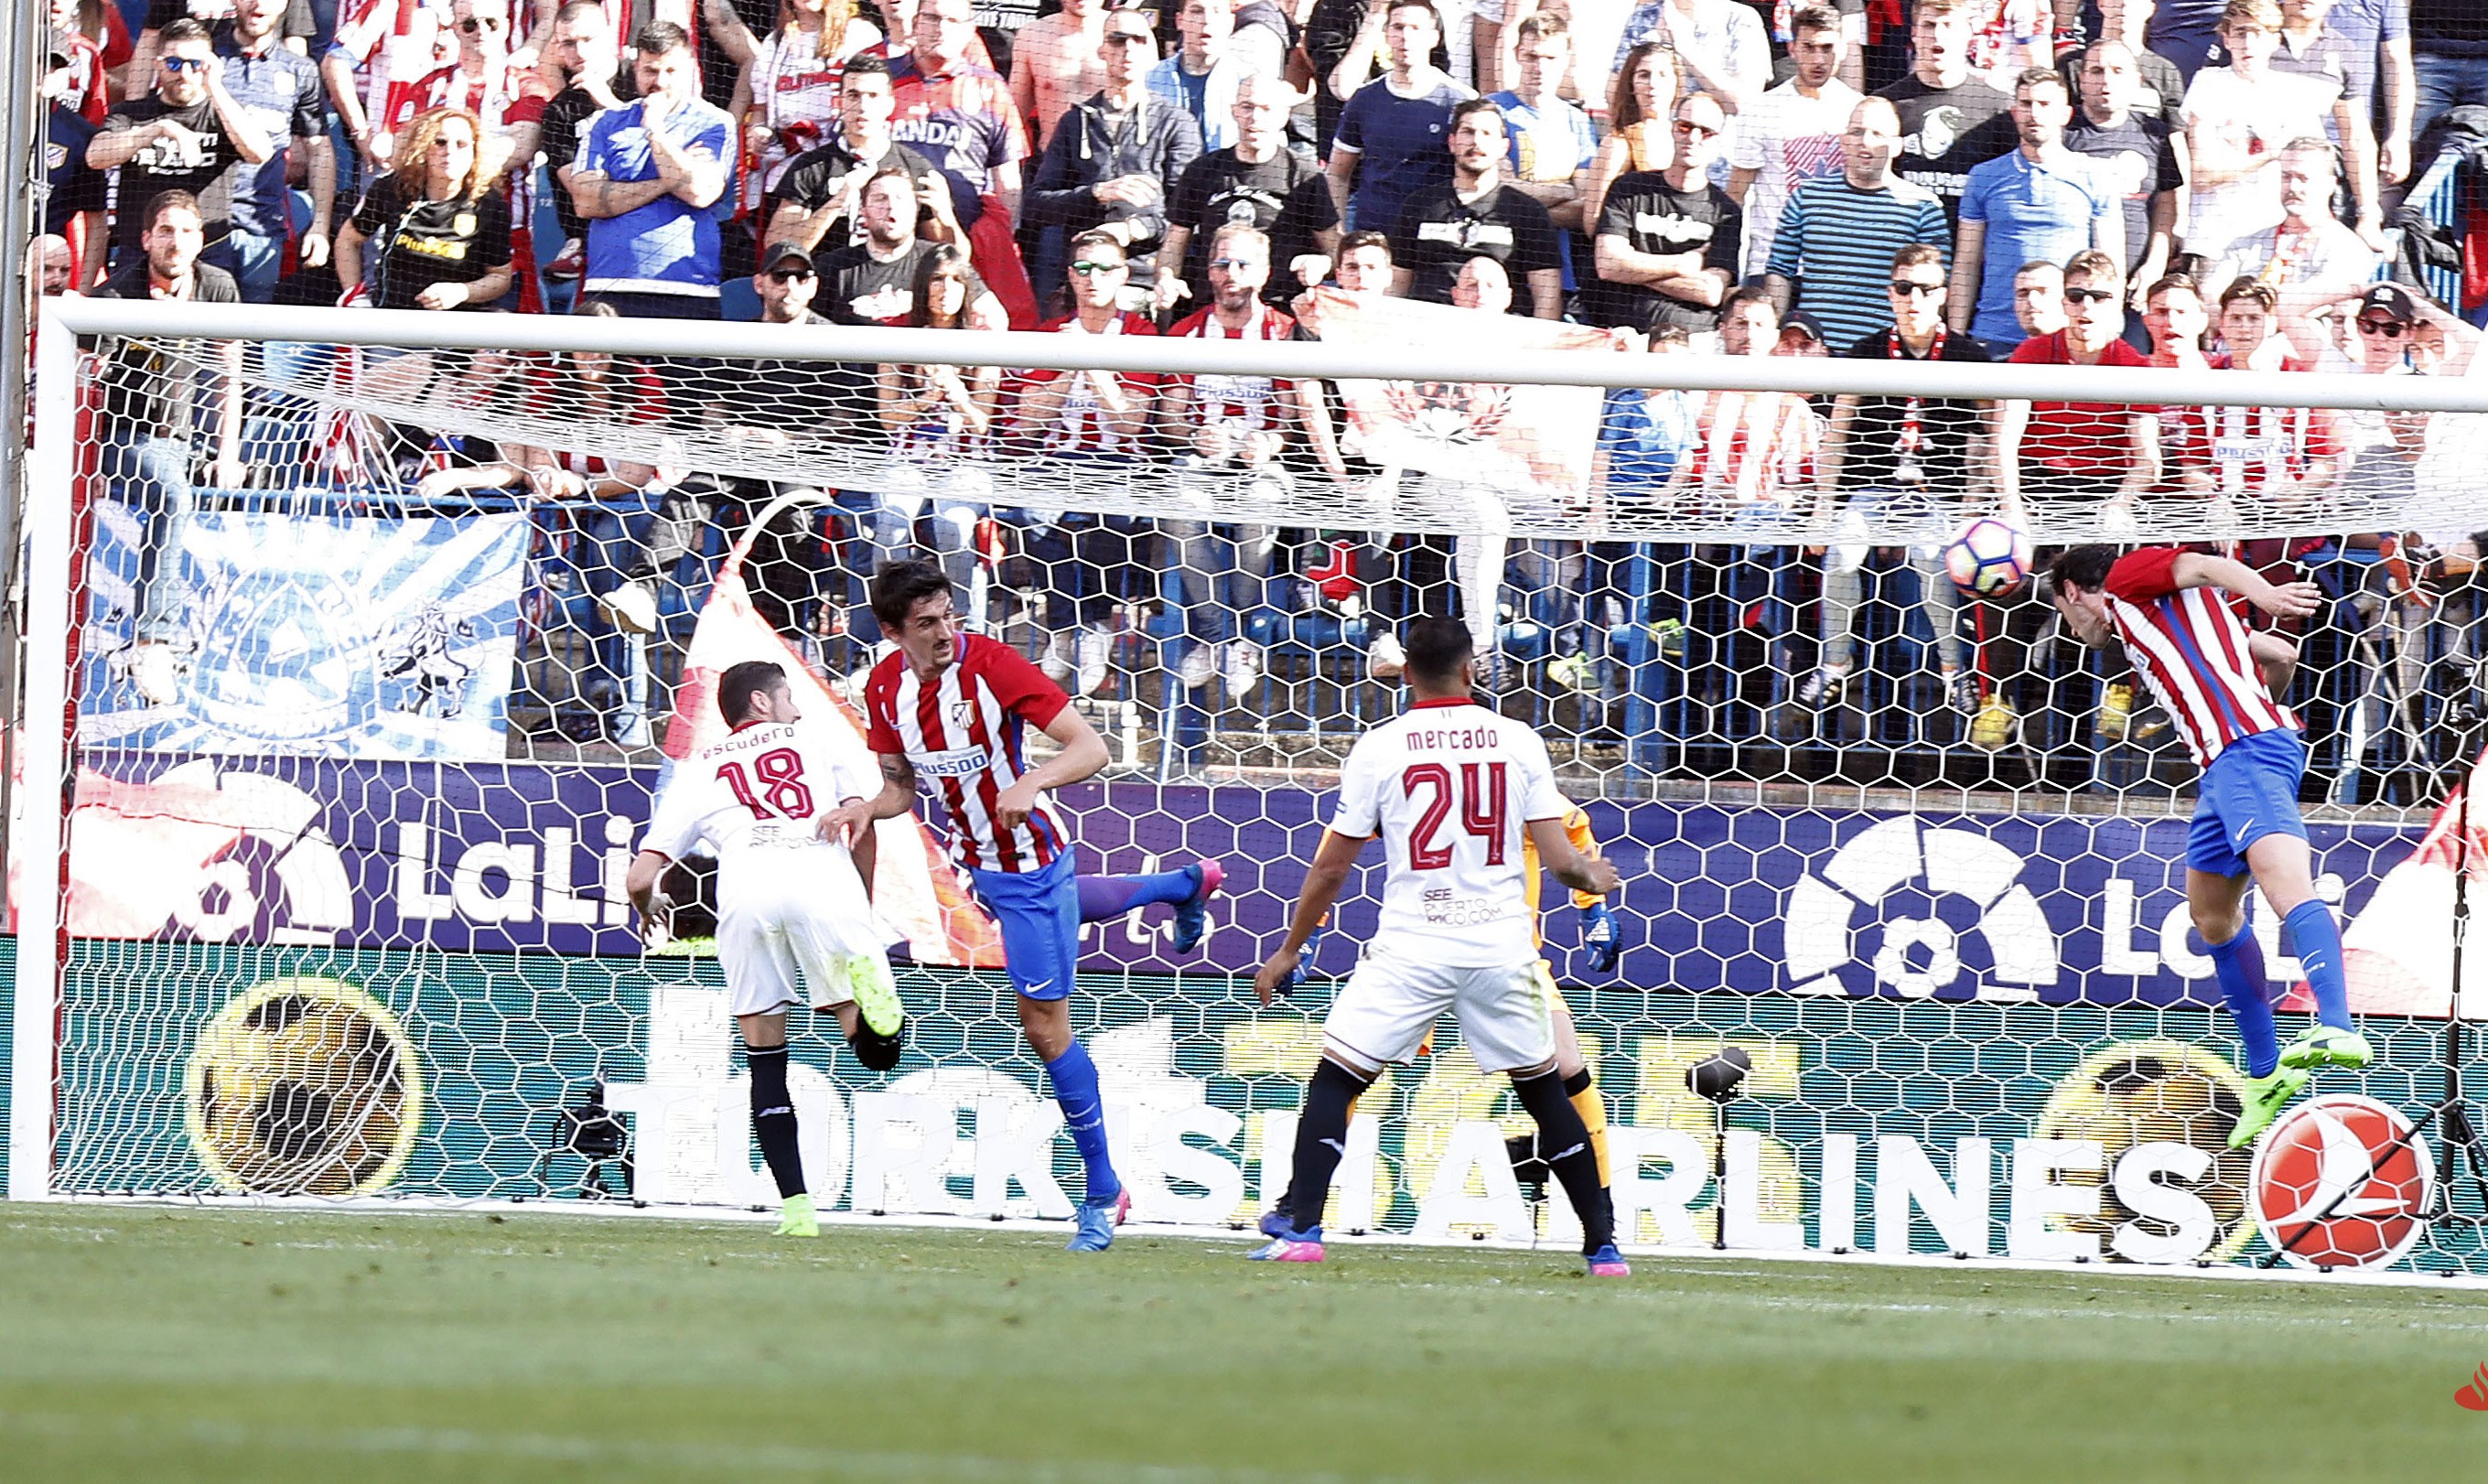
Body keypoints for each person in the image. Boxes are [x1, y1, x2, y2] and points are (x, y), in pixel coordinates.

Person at [827, 560, 1224, 1252]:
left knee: (1044, 1029)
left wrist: (1031, 782)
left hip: (1031, 859)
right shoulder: (883, 688)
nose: (946, 632)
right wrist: (867, 807)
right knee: (1058, 925)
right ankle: (1182, 884)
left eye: (949, 615)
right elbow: (900, 791)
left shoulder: (992, 664)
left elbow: (1091, 747)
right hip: (976, 860)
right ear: (892, 633)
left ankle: (1104, 1192)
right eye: (926, 624)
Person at [1246, 616, 1626, 1274]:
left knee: (1336, 1078)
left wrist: (1288, 949)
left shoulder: (1380, 746)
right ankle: (1602, 1247)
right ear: (1471, 668)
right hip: (1500, 947)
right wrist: (1589, 878)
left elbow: (1332, 868)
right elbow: (1561, 859)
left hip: (1413, 945)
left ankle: (1302, 1227)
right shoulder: (1517, 740)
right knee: (1543, 1093)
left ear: (1405, 675)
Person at [2041, 543, 2367, 1147]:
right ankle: (2266, 1073)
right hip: (2225, 765)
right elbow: (2281, 654)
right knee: (2211, 917)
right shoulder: (2174, 619)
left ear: (2071, 592)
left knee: (2284, 884)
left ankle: (2335, 1026)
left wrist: (2265, 596)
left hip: (2246, 753)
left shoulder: (2123, 580)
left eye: (2064, 612)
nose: (2073, 625)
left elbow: (2195, 561)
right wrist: (2246, 691)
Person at [625, 659, 906, 1240]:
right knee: (878, 1053)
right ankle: (880, 1006)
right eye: (789, 697)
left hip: (746, 893)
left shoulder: (697, 769)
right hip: (822, 882)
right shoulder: (820, 737)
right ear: (760, 703)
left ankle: (797, 1211)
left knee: (764, 1059)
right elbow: (862, 822)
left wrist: (649, 910)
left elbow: (639, 877)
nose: (797, 709)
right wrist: (862, 906)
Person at [1799, 242, 1990, 715]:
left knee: (1931, 561)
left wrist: (1971, 502)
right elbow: (1837, 435)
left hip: (1939, 492)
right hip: (1873, 490)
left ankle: (1954, 673)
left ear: (1943, 294)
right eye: (1904, 289)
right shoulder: (1865, 352)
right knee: (1841, 552)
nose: (1914, 300)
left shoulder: (1968, 356)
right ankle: (1834, 666)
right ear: (1890, 294)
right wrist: (1825, 506)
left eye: (1925, 290)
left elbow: (1991, 439)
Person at [1158, 224, 1349, 694]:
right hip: (1204, 458)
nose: (1232, 274)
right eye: (1222, 264)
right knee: (1182, 505)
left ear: (1263, 274)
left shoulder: (1282, 333)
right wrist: (1194, 435)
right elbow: (1170, 420)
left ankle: (1240, 636)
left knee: (1260, 505)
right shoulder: (1189, 331)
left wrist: (1269, 443)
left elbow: (1290, 422)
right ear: (1208, 272)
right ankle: (1215, 635)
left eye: (1243, 264)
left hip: (1262, 459)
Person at [90, 189, 245, 707]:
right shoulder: (119, 293)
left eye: (184, 231)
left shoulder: (217, 287)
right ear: (145, 239)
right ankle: (153, 643)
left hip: (182, 441)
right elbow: (90, 377)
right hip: (118, 438)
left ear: (200, 240)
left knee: (231, 477)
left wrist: (228, 452)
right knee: (173, 496)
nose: (175, 241)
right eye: (164, 231)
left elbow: (230, 375)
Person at [1027, 6, 1203, 306]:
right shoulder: (1075, 121)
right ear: (1102, 50)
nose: (1128, 49)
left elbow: (1189, 214)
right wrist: (1096, 193)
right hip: (1085, 276)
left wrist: (1130, 229)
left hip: (1145, 279)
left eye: (1138, 40)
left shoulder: (1176, 122)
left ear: (1152, 51)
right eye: (1118, 40)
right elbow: (1038, 205)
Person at [563, 21, 736, 319]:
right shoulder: (606, 122)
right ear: (635, 69)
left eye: (671, 71)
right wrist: (667, 181)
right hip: (609, 288)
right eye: (650, 71)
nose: (660, 81)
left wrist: (655, 130)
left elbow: (699, 192)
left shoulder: (715, 122)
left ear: (690, 68)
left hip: (688, 289)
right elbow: (587, 202)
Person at [2182, 0, 2381, 257]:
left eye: (2258, 35)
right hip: (2214, 236)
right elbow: (2200, 173)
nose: (2249, 44)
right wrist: (2267, 153)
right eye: (2241, 35)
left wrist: (2368, 214)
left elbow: (2356, 136)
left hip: (2280, 235)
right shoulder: (2214, 77)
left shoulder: (2340, 55)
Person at [872, 242, 1000, 633]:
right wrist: (926, 399)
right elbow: (888, 419)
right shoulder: (897, 336)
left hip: (964, 458)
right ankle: (894, 632)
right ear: (921, 285)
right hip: (908, 456)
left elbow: (983, 423)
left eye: (955, 281)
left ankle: (966, 631)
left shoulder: (983, 342)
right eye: (936, 280)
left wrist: (958, 396)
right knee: (893, 522)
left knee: (954, 526)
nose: (946, 289)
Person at [1763, 94, 1950, 351]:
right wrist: (1775, 337)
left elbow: (1936, 287)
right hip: (1814, 350)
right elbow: (1779, 270)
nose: (1866, 142)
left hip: (1884, 355)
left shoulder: (1924, 207)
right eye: (1857, 132)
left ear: (1897, 146)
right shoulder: (1807, 196)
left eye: (1877, 134)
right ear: (1843, 141)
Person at [1952, 69, 2118, 351]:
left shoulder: (2096, 175)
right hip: (1995, 334)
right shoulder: (1984, 176)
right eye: (2026, 104)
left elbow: (2111, 267)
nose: (2034, 113)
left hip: (2069, 337)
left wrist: (2108, 331)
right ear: (2015, 112)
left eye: (2045, 104)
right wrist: (1954, 339)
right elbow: (1966, 265)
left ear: (2065, 114)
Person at [90, 17, 274, 269]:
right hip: (139, 251)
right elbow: (96, 156)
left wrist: (216, 88)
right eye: (174, 63)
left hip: (208, 253)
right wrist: (158, 129)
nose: (184, 74)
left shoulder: (223, 114)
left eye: (195, 64)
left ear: (210, 65)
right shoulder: (131, 114)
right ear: (158, 65)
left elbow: (260, 153)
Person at [1158, 70, 1341, 315]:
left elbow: (1333, 248)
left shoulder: (1305, 177)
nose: (1255, 117)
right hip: (1213, 307)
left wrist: (1322, 263)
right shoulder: (1203, 171)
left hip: (1277, 310)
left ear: (1284, 116)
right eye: (1247, 107)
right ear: (1234, 111)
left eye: (1266, 109)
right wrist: (1166, 277)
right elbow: (1174, 241)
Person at [1388, 99, 1563, 316]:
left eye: (1486, 134)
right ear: (1452, 142)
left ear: (1503, 147)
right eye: (1468, 132)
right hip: (1426, 329)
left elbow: (1547, 296)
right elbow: (1396, 285)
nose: (1476, 142)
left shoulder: (1528, 212)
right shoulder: (1419, 204)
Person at [336, 105, 516, 313]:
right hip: (391, 317)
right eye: (440, 142)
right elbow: (348, 240)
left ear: (474, 152)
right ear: (422, 147)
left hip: (458, 326)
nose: (449, 151)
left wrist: (461, 292)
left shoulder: (489, 204)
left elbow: (500, 277)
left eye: (461, 144)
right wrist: (353, 294)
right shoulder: (393, 188)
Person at [1588, 91, 1739, 335]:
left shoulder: (1726, 212)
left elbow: (1710, 291)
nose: (1693, 138)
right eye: (1684, 126)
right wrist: (1682, 265)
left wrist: (1633, 270)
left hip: (1692, 339)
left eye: (1706, 131)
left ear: (1718, 141)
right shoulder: (1629, 188)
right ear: (1672, 129)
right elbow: (1608, 265)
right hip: (1622, 333)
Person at [1726, 5, 1860, 279]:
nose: (1818, 59)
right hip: (1771, 265)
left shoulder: (1859, 112)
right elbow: (1735, 196)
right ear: (1792, 48)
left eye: (1827, 48)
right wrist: (1727, 267)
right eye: (1809, 47)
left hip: (1838, 267)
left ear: (1843, 49)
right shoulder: (1761, 109)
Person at [765, 55, 952, 254]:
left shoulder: (916, 167)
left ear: (890, 104)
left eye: (873, 96)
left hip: (896, 282)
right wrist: (837, 202)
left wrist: (947, 217)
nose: (862, 106)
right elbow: (777, 246)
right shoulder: (810, 166)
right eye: (853, 95)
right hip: (827, 281)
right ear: (839, 103)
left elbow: (953, 257)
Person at [212, 0, 333, 302]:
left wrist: (319, 225)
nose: (258, 4)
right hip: (204, 229)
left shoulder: (301, 70)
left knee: (251, 340)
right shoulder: (206, 60)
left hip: (264, 230)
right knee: (194, 339)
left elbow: (319, 150)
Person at [705, 0, 880, 208]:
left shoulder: (861, 35)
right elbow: (760, 110)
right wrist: (759, 133)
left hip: (841, 170)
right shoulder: (776, 42)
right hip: (784, 175)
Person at [512, 0, 630, 294]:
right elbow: (580, 191)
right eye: (569, 43)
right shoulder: (558, 112)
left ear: (608, 35)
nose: (580, 52)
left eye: (588, 40)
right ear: (557, 49)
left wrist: (611, 105)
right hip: (595, 245)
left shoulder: (641, 82)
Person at [1327, 0, 1470, 235]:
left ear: (1434, 38)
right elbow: (1337, 174)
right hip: (1375, 239)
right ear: (1386, 35)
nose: (1405, 36)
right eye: (1398, 27)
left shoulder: (1460, 102)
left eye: (1415, 28)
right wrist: (1338, 235)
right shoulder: (1364, 100)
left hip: (1433, 240)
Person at [1873, 0, 2014, 228]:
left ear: (1969, 32)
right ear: (1914, 33)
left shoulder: (1998, 108)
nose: (1937, 35)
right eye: (1928, 25)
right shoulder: (1886, 105)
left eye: (1948, 25)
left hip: (1970, 248)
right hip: (1902, 247)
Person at [2063, 40, 2182, 308]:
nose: (2106, 80)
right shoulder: (2063, 133)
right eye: (2096, 71)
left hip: (2134, 286)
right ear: (2081, 80)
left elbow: (2165, 206)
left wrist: (2154, 266)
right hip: (2073, 290)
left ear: (2136, 80)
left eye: (2118, 71)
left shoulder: (2156, 134)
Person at [2198, 136, 2379, 301]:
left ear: (2330, 185)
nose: (2293, 187)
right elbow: (2210, 298)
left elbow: (2321, 305)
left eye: (2303, 178)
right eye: (2286, 177)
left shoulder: (2347, 248)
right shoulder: (2247, 244)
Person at [1486, 12, 1596, 260]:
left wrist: (1520, 202)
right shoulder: (1490, 111)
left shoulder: (1578, 121)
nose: (1540, 67)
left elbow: (1587, 205)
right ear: (1517, 54)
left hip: (1555, 260)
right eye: (1532, 56)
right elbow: (1492, 191)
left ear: (1566, 59)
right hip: (1493, 252)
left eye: (1550, 58)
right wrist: (1566, 192)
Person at [817, 166, 990, 322]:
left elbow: (993, 317)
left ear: (916, 209)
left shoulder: (939, 261)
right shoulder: (833, 267)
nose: (891, 206)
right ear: (864, 211)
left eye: (900, 198)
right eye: (880, 199)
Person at [1606, 0, 1770, 122]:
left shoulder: (1741, 18)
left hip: (1715, 154)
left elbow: (1745, 104)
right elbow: (1614, 93)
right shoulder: (1644, 16)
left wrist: (1685, 49)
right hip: (1652, 151)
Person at [1580, 39, 1677, 234]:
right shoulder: (1617, 146)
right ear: (1631, 84)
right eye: (1644, 75)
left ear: (1677, 82)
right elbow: (1593, 221)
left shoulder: (1690, 138)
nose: (1653, 84)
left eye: (1663, 75)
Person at [1146, 0, 1254, 152]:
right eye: (1197, 11)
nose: (1207, 20)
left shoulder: (1249, 83)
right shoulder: (1150, 79)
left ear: (1231, 23)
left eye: (1217, 11)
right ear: (1179, 21)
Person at [1008, 0, 1106, 149]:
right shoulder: (1033, 35)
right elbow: (1014, 115)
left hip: (1112, 163)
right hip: (1051, 161)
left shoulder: (1131, 34)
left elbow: (1149, 105)